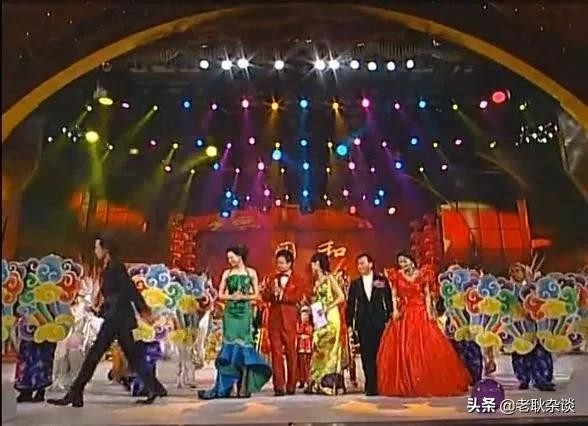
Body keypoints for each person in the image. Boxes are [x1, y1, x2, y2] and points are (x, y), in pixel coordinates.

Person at [47, 235, 167, 407]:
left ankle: (75, 393)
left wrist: (144, 311)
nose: (95, 250)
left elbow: (129, 290)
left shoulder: (115, 267)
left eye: (97, 247)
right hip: (118, 318)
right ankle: (156, 388)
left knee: (96, 355)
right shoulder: (110, 267)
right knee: (130, 356)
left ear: (106, 249)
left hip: (118, 318)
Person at [377, 252, 471, 397]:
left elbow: (427, 294)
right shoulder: (396, 276)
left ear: (411, 261)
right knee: (404, 349)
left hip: (420, 312)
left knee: (426, 346)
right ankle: (408, 382)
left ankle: (426, 381)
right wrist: (395, 310)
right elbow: (394, 295)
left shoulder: (423, 274)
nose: (403, 264)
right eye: (400, 262)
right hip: (405, 313)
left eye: (405, 261)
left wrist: (429, 312)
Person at [198, 245, 271, 399]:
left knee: (243, 348)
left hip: (244, 313)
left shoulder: (251, 273)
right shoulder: (227, 273)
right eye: (228, 258)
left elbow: (256, 295)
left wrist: (243, 297)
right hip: (230, 313)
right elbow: (220, 294)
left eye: (232, 257)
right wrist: (232, 297)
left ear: (240, 256)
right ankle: (225, 387)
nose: (230, 260)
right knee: (229, 348)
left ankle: (243, 387)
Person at [261, 249, 309, 396]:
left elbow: (296, 297)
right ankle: (279, 386)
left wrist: (281, 295)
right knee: (276, 353)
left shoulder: (298, 280)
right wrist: (271, 293)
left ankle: (291, 385)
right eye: (278, 263)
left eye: (282, 263)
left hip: (289, 319)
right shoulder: (271, 279)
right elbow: (265, 297)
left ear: (289, 263)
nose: (279, 265)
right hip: (274, 320)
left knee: (291, 352)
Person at [346, 253, 393, 396]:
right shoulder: (355, 284)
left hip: (379, 321)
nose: (360, 266)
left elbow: (388, 300)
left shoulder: (381, 280)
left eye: (362, 263)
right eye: (358, 264)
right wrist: (350, 323)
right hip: (363, 323)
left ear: (371, 264)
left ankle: (381, 383)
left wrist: (389, 317)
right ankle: (370, 384)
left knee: (380, 353)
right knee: (366, 355)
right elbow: (351, 304)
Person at [508, 263, 555, 391]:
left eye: (517, 270)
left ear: (524, 272)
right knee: (519, 353)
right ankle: (523, 379)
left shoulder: (534, 288)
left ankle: (543, 380)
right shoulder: (508, 290)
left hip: (535, 326)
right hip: (518, 327)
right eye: (512, 271)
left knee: (540, 352)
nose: (514, 273)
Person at [305, 252, 346, 395]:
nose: (311, 266)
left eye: (313, 263)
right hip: (319, 317)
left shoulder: (330, 278)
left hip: (331, 316)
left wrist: (328, 308)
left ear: (318, 264)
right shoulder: (316, 281)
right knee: (319, 346)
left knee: (331, 348)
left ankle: (329, 382)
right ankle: (317, 380)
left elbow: (341, 297)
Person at [296, 306, 313, 390]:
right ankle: (301, 380)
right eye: (303, 315)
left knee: (308, 364)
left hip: (308, 347)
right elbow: (296, 333)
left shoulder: (310, 326)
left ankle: (308, 380)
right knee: (300, 364)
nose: (305, 317)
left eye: (306, 315)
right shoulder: (298, 325)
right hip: (301, 347)